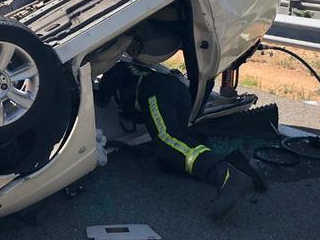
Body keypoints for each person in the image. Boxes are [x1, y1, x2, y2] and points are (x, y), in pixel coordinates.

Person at [96, 61, 263, 221]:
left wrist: (101, 97)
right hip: (178, 92)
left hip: (154, 92)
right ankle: (233, 163)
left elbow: (104, 97)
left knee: (167, 141)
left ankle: (226, 175)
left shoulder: (116, 68)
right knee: (174, 155)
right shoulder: (136, 68)